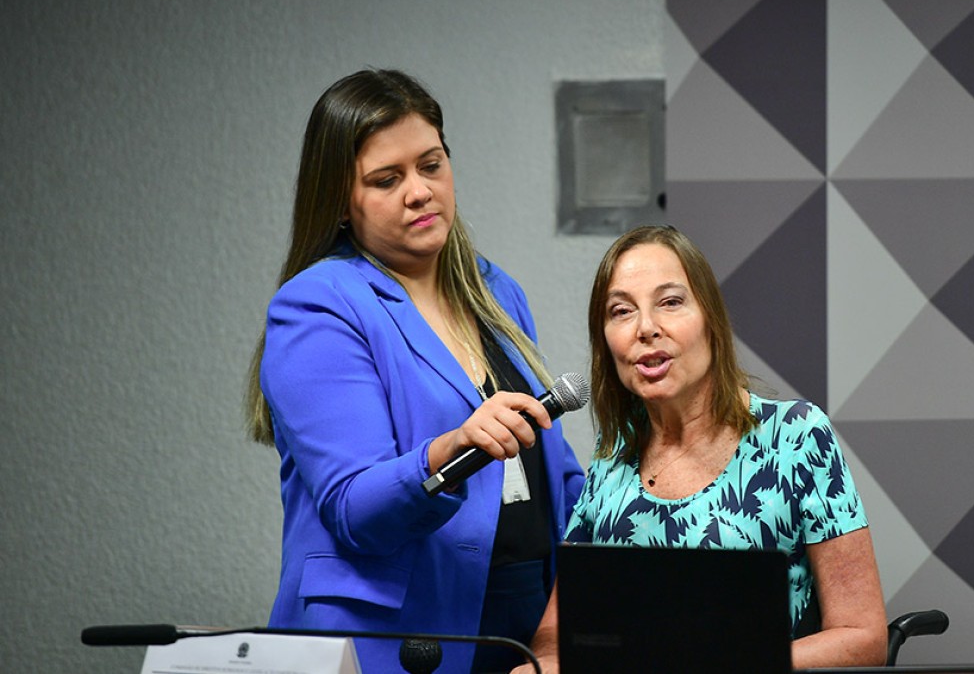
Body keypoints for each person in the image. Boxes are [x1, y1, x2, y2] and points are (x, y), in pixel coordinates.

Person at [243, 68, 584, 674]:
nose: (420, 191)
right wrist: (451, 449)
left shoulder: (496, 290)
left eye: (431, 165)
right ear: (339, 201)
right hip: (398, 633)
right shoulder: (320, 305)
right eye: (387, 179)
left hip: (525, 621)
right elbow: (355, 510)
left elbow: (551, 473)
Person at [512, 225, 887, 673]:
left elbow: (863, 638)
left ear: (710, 318)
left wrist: (720, 662)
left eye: (670, 302)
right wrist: (542, 665)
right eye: (622, 311)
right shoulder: (614, 453)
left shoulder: (797, 436)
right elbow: (557, 629)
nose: (646, 328)